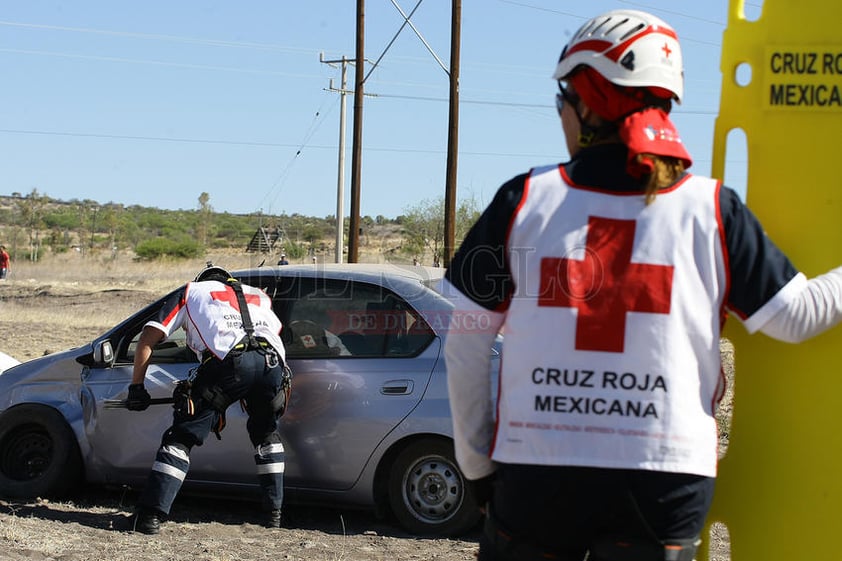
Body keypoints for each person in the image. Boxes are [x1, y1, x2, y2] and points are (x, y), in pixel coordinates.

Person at [442, 9, 842, 561]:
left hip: (539, 470)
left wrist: (477, 466)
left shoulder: (523, 201)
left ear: (587, 100)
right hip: (664, 476)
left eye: (563, 98)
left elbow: (463, 342)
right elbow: (797, 316)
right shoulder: (713, 211)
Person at [126, 264, 291, 535]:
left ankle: (149, 516)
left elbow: (148, 338)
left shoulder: (191, 291)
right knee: (266, 435)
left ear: (202, 280)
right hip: (272, 365)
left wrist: (137, 387)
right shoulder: (259, 295)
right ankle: (274, 514)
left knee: (181, 438)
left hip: (229, 365)